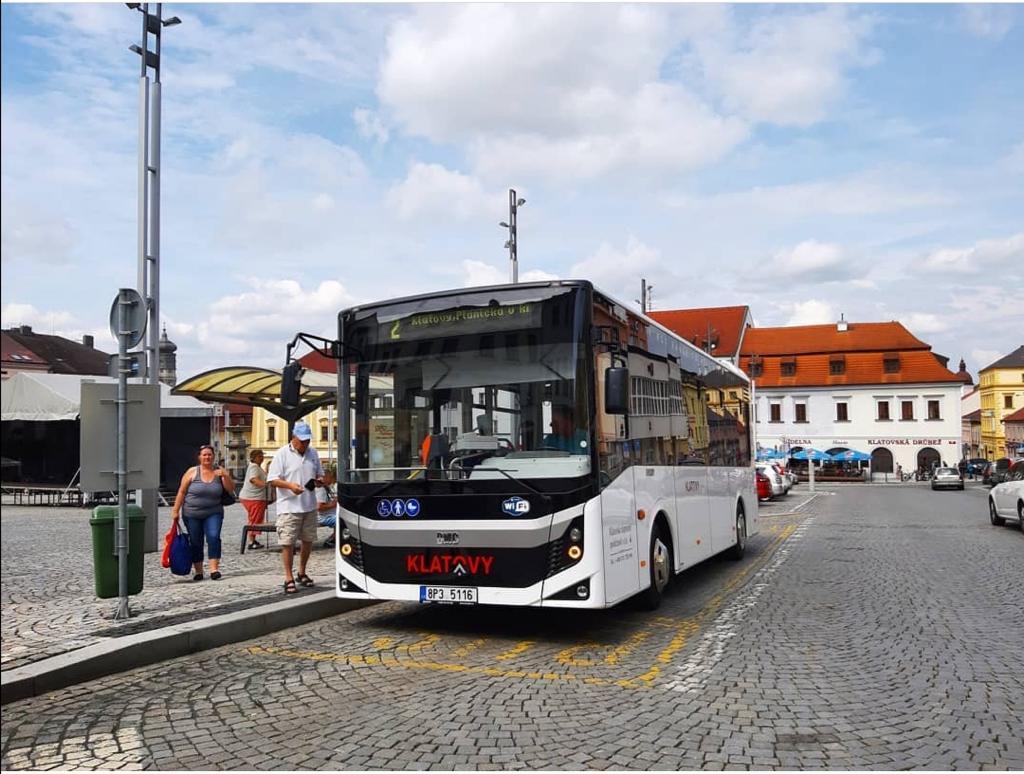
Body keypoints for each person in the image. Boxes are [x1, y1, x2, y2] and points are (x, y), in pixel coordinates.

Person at [268, 421, 324, 595]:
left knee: (308, 541)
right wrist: (290, 486)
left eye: (308, 441)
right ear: (294, 438)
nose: (305, 444)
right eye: (302, 441)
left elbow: (319, 474)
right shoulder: (282, 454)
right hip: (288, 506)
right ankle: (288, 577)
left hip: (308, 504)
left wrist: (319, 480)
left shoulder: (313, 453)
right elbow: (272, 479)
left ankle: (302, 571)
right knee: (288, 543)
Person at [171, 444, 235, 581]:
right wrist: (175, 510)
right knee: (196, 541)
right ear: (199, 457)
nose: (207, 457)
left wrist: (226, 476)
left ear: (214, 456)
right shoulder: (192, 472)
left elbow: (230, 489)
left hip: (214, 512)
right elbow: (182, 491)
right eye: (204, 455)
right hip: (192, 513)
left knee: (213, 537)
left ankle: (214, 569)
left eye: (209, 454)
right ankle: (198, 571)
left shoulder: (219, 472)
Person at [238, 449, 269, 549]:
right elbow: (253, 479)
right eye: (260, 456)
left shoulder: (257, 467)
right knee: (254, 519)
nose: (262, 458)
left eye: (262, 456)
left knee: (255, 518)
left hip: (255, 497)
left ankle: (253, 539)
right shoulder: (254, 467)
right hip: (253, 497)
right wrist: (266, 485)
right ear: (254, 458)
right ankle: (252, 541)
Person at [317, 468, 338, 549]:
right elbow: (319, 507)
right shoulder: (321, 490)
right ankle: (332, 539)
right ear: (324, 477)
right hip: (323, 517)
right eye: (330, 477)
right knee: (340, 520)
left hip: (328, 515)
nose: (332, 478)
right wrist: (333, 504)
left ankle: (334, 538)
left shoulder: (327, 488)